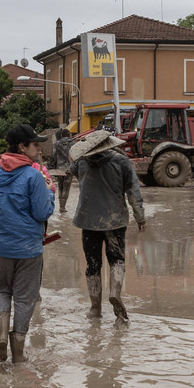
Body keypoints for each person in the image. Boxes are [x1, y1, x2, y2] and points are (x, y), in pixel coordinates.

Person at [0, 124, 54, 363]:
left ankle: (1, 338)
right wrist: (49, 193)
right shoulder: (34, 176)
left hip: (0, 248)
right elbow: (41, 213)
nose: (39, 150)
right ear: (22, 147)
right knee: (25, 298)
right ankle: (18, 355)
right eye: (35, 145)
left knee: (1, 291)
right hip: (28, 250)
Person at [70, 130, 146, 322]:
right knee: (117, 260)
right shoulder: (121, 161)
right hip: (115, 220)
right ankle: (115, 293)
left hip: (88, 221)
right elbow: (133, 191)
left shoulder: (81, 162)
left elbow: (74, 173)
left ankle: (95, 308)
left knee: (92, 265)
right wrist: (140, 217)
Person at [50, 129, 75, 214]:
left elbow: (53, 156)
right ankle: (63, 207)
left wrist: (52, 167)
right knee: (66, 188)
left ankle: (60, 206)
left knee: (60, 186)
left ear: (61, 135)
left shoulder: (56, 144)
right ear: (69, 135)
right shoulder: (73, 144)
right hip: (69, 169)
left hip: (59, 169)